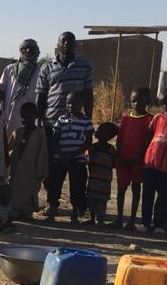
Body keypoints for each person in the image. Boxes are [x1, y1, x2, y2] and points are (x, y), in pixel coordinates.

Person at [45, 91, 94, 224]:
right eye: (68, 103)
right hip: (60, 159)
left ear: (81, 104)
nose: (71, 106)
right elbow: (55, 139)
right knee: (55, 184)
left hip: (77, 159)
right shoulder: (61, 119)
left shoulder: (86, 121)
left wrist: (73, 154)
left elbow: (88, 142)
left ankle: (75, 212)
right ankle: (52, 209)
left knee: (77, 185)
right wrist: (61, 154)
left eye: (75, 103)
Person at [139, 87, 167, 235]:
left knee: (163, 197)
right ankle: (145, 223)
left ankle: (159, 224)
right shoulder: (158, 118)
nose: (164, 106)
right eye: (161, 103)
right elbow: (149, 135)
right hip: (150, 162)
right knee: (147, 195)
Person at [113, 86, 152, 230]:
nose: (136, 104)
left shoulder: (150, 119)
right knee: (121, 188)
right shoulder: (126, 118)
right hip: (123, 160)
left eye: (140, 101)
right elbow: (119, 139)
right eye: (133, 101)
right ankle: (119, 218)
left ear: (147, 101)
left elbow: (148, 142)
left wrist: (137, 158)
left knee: (136, 188)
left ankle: (132, 220)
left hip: (138, 161)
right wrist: (119, 156)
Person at [37, 31, 93, 129]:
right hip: (51, 121)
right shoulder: (46, 67)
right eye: (63, 41)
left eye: (70, 41)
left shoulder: (84, 65)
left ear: (75, 44)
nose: (66, 43)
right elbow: (41, 96)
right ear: (58, 44)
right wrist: (38, 120)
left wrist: (88, 118)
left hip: (75, 122)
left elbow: (88, 94)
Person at [6, 101, 48, 220]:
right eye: (23, 117)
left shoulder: (40, 134)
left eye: (29, 117)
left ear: (35, 116)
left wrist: (40, 172)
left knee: (30, 192)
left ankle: (27, 212)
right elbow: (8, 149)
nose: (26, 120)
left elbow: (42, 154)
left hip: (32, 171)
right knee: (15, 192)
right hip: (17, 170)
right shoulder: (18, 132)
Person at [0, 39, 42, 135]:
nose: (28, 50)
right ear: (20, 50)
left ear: (37, 51)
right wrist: (1, 114)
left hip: (30, 116)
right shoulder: (9, 69)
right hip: (9, 114)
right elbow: (0, 92)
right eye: (25, 48)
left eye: (31, 48)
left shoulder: (40, 71)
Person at [84, 122, 119, 226]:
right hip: (95, 180)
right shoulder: (92, 148)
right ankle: (93, 219)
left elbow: (115, 163)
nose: (99, 131)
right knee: (92, 200)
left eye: (102, 130)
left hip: (102, 182)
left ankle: (99, 220)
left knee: (101, 202)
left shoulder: (110, 150)